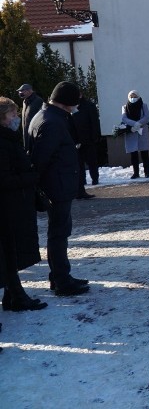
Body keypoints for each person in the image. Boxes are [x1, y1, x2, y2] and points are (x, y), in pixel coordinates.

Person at [28, 81, 90, 296]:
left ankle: (60, 277)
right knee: (59, 233)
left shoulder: (46, 116)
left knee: (58, 232)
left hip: (57, 184)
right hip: (57, 186)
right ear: (67, 103)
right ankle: (62, 280)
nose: (76, 107)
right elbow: (41, 158)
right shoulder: (52, 121)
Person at [0, 97, 47, 311]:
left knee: (12, 252)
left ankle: (13, 295)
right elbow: (4, 179)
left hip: (14, 205)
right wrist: (31, 177)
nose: (17, 118)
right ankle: (17, 296)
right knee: (10, 251)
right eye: (12, 114)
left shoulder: (8, 138)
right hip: (9, 207)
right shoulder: (2, 142)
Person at [72, 93, 101, 197]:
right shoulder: (71, 106)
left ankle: (95, 178)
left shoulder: (89, 105)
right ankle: (82, 181)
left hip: (88, 138)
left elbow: (94, 121)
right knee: (79, 163)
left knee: (92, 161)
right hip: (76, 139)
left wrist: (95, 136)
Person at [121, 90, 149, 179]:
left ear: (138, 97)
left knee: (144, 152)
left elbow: (146, 117)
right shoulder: (125, 107)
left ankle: (147, 172)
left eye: (135, 96)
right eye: (131, 97)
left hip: (142, 130)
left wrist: (138, 124)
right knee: (133, 153)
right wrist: (133, 125)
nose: (133, 98)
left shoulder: (143, 105)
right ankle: (136, 173)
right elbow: (124, 118)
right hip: (131, 131)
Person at [17, 83, 43, 150]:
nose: (20, 93)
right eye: (19, 91)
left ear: (29, 91)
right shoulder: (24, 101)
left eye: (22, 91)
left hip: (34, 133)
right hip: (25, 132)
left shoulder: (38, 101)